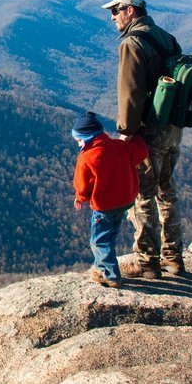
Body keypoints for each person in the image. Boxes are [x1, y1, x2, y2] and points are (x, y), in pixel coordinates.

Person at [102, 0, 185, 278]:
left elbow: (130, 93)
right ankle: (174, 258)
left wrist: (125, 133)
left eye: (116, 10)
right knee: (167, 192)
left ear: (131, 10)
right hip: (173, 129)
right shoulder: (166, 38)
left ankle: (149, 263)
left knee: (142, 196)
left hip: (148, 133)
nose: (112, 16)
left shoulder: (132, 42)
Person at [72, 111, 149, 288]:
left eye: (78, 140)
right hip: (124, 202)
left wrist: (80, 198)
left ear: (87, 138)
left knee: (99, 240)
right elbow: (141, 152)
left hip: (104, 207)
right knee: (110, 235)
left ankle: (111, 275)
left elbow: (83, 185)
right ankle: (101, 267)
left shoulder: (87, 158)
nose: (78, 144)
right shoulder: (120, 146)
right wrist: (134, 135)